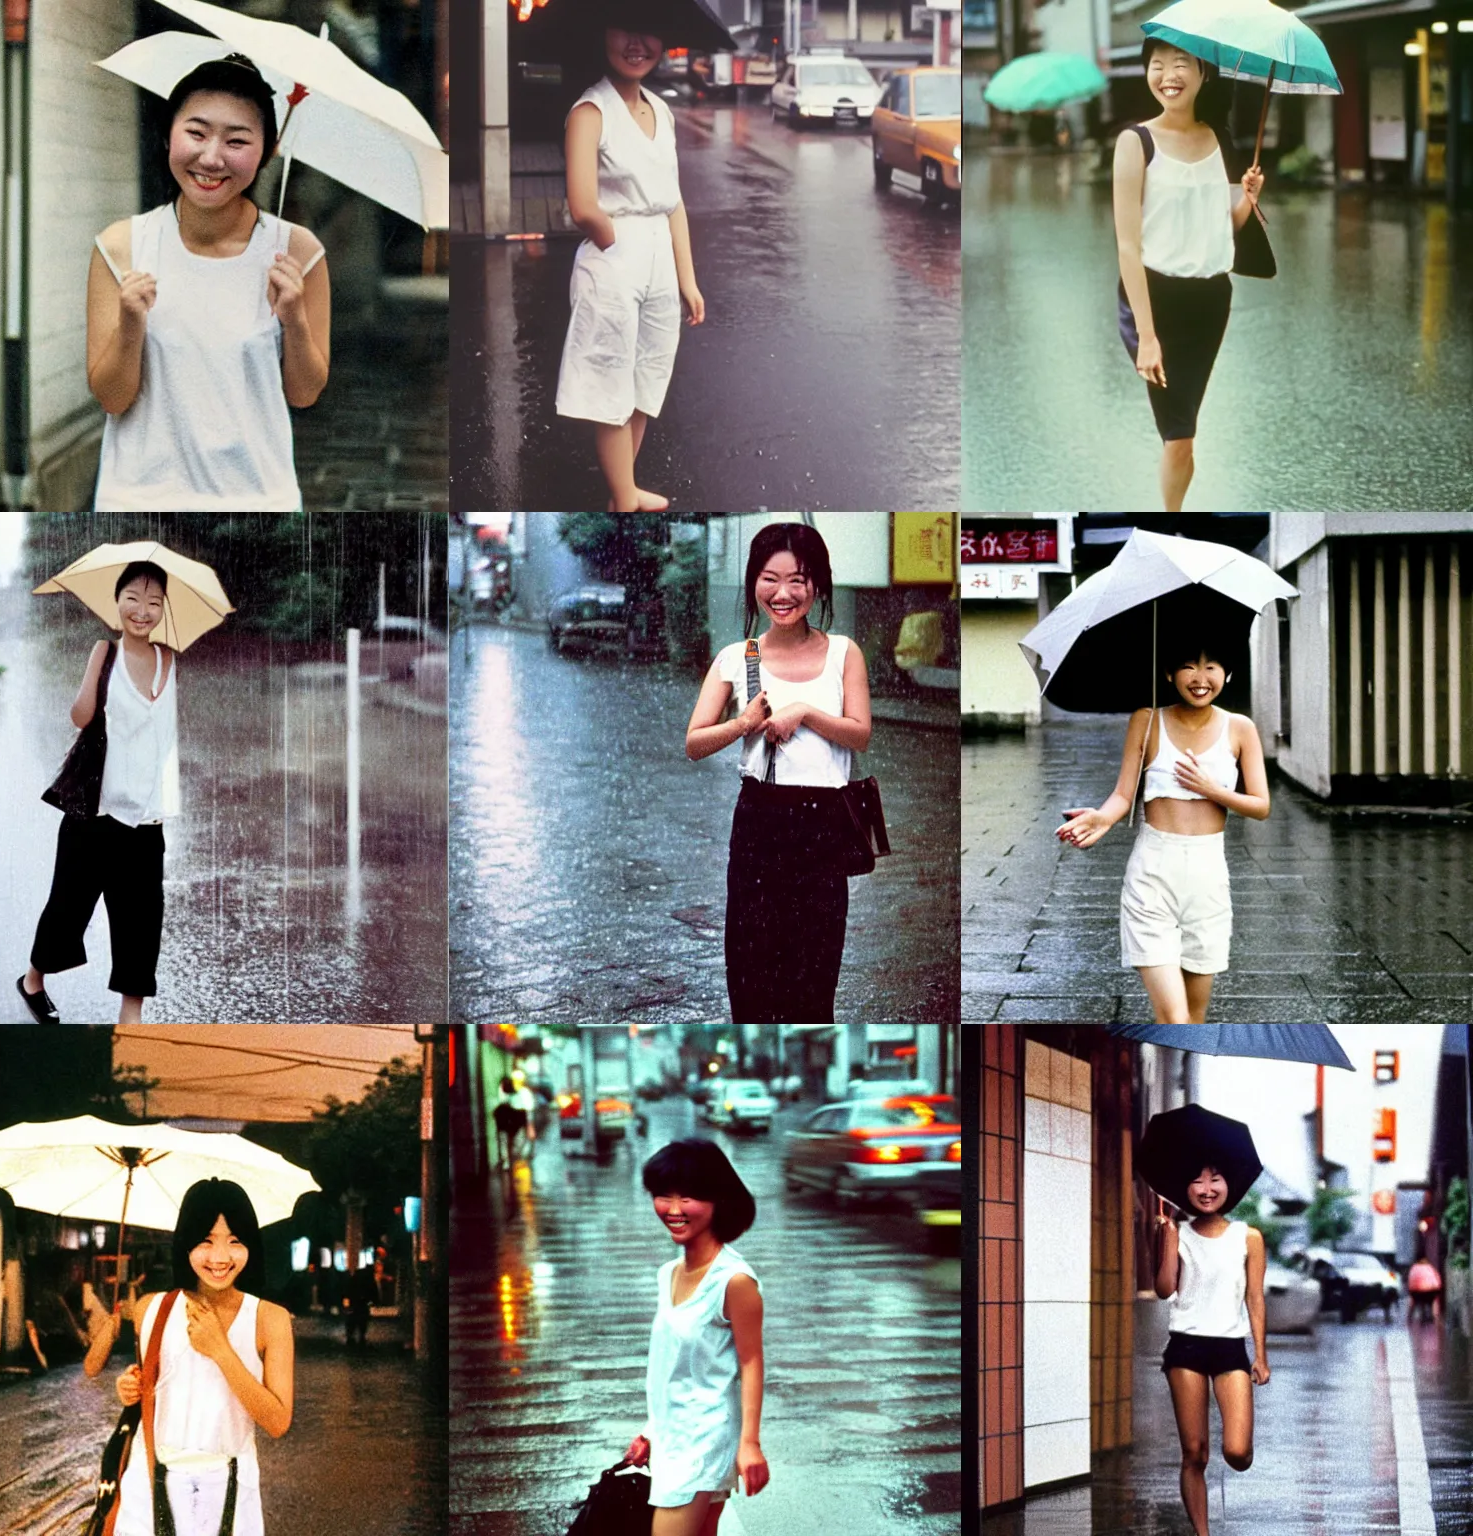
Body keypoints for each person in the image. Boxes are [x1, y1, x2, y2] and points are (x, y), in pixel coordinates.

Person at [87, 53, 330, 510]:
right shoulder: (121, 247)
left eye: (237, 141)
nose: (211, 158)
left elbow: (304, 393)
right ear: (168, 134)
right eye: (196, 133)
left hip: (259, 498)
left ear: (268, 150)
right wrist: (130, 324)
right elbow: (112, 398)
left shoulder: (299, 253)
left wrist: (294, 319)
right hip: (139, 499)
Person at [685, 523, 872, 1024]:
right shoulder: (738, 657)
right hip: (760, 822)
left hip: (824, 823)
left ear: (818, 585)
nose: (783, 594)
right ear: (753, 583)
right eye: (770, 579)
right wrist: (743, 723)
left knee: (815, 968)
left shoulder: (843, 653)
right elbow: (694, 743)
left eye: (799, 580)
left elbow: (860, 734)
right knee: (752, 964)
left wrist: (805, 713)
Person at [1058, 638, 1270, 1025]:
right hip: (1153, 872)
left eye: (1212, 666)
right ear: (1170, 673)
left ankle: (1183, 1078)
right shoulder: (1147, 719)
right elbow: (1124, 794)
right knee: (1173, 1016)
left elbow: (1261, 805)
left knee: (1195, 1016)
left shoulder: (1240, 728)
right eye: (1189, 665)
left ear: (1228, 674)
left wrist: (1212, 790)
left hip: (1208, 875)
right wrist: (1102, 818)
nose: (1201, 677)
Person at [19, 561, 182, 1026]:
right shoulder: (103, 652)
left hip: (146, 820)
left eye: (154, 602)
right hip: (96, 813)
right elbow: (80, 717)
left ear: (164, 609)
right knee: (69, 908)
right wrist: (96, 668)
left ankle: (130, 1016)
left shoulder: (170, 660)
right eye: (132, 598)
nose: (142, 610)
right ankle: (33, 980)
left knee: (141, 920)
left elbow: (164, 736)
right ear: (116, 603)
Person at [556, 14, 705, 512]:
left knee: (648, 373)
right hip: (615, 256)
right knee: (610, 379)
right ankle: (623, 498)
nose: (636, 43)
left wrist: (688, 277)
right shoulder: (590, 112)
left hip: (661, 251)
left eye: (649, 30)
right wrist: (616, 242)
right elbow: (583, 205)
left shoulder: (661, 111)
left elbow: (674, 201)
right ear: (601, 34)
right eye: (623, 28)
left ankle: (628, 482)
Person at [1112, 41, 1263, 511]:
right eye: (1156, 65)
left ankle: (1173, 515)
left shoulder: (1221, 140)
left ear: (1203, 74)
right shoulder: (1135, 142)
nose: (1167, 75)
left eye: (1180, 64)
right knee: (1178, 432)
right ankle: (1172, 522)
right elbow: (1127, 246)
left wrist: (1248, 202)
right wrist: (1148, 335)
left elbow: (1220, 231)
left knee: (1185, 431)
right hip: (1153, 301)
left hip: (1211, 301)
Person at [108, 1178, 293, 1536]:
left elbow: (278, 1421)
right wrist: (130, 1387)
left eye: (234, 1242)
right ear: (185, 1242)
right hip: (148, 1497)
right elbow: (157, 1388)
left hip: (229, 1499)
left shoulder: (270, 1319)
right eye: (206, 1241)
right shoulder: (151, 1309)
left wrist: (221, 1351)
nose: (220, 1258)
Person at [624, 1139, 769, 1536]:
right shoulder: (668, 1274)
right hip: (674, 1437)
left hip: (703, 1441)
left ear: (718, 1200)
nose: (672, 1210)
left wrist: (750, 1443)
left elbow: (751, 1362)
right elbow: (671, 1368)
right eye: (662, 1196)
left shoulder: (733, 1281)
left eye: (687, 1197)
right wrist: (651, 1431)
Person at [1154, 1166, 1269, 1536]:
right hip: (1186, 1346)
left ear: (1228, 1185)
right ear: (1185, 1188)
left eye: (1215, 1179)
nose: (1206, 1189)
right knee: (1195, 1453)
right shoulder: (1177, 1232)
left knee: (1237, 1452)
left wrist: (1260, 1355)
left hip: (1230, 1349)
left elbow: (1254, 1298)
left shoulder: (1248, 1237)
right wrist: (1168, 1236)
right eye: (1196, 1180)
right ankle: (1202, 1533)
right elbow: (1163, 1288)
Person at [493, 1075, 530, 1169]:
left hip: (510, 1122)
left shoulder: (515, 1095)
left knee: (509, 1142)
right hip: (507, 1123)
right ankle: (508, 1160)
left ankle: (509, 1160)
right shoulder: (508, 1095)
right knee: (506, 1142)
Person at [344, 1262, 380, 1347]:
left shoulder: (356, 1276)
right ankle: (361, 1337)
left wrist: (348, 1298)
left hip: (354, 1301)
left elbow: (349, 1288)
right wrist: (375, 1301)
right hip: (363, 1302)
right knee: (363, 1321)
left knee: (351, 1320)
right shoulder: (369, 1278)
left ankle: (350, 1336)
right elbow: (373, 1290)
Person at [1408, 1254, 1442, 1323]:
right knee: (1432, 1301)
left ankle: (1411, 1317)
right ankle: (1432, 1316)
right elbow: (1437, 1281)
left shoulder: (1414, 1268)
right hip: (1430, 1293)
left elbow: (1410, 1282)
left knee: (1415, 1302)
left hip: (1416, 1293)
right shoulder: (1430, 1268)